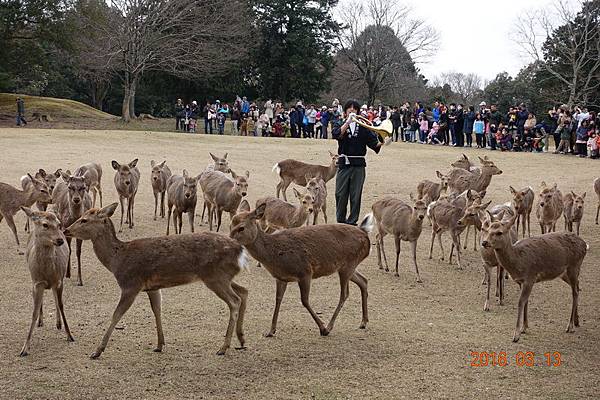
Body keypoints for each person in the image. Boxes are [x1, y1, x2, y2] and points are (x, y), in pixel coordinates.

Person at [332, 99, 387, 225]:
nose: (352, 110)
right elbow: (337, 134)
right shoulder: (339, 123)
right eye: (349, 108)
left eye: (355, 108)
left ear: (357, 111)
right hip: (344, 164)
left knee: (355, 195)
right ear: (345, 111)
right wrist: (347, 122)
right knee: (340, 194)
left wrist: (383, 141)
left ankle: (352, 221)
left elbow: (374, 144)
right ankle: (340, 220)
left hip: (358, 165)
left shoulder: (363, 127)